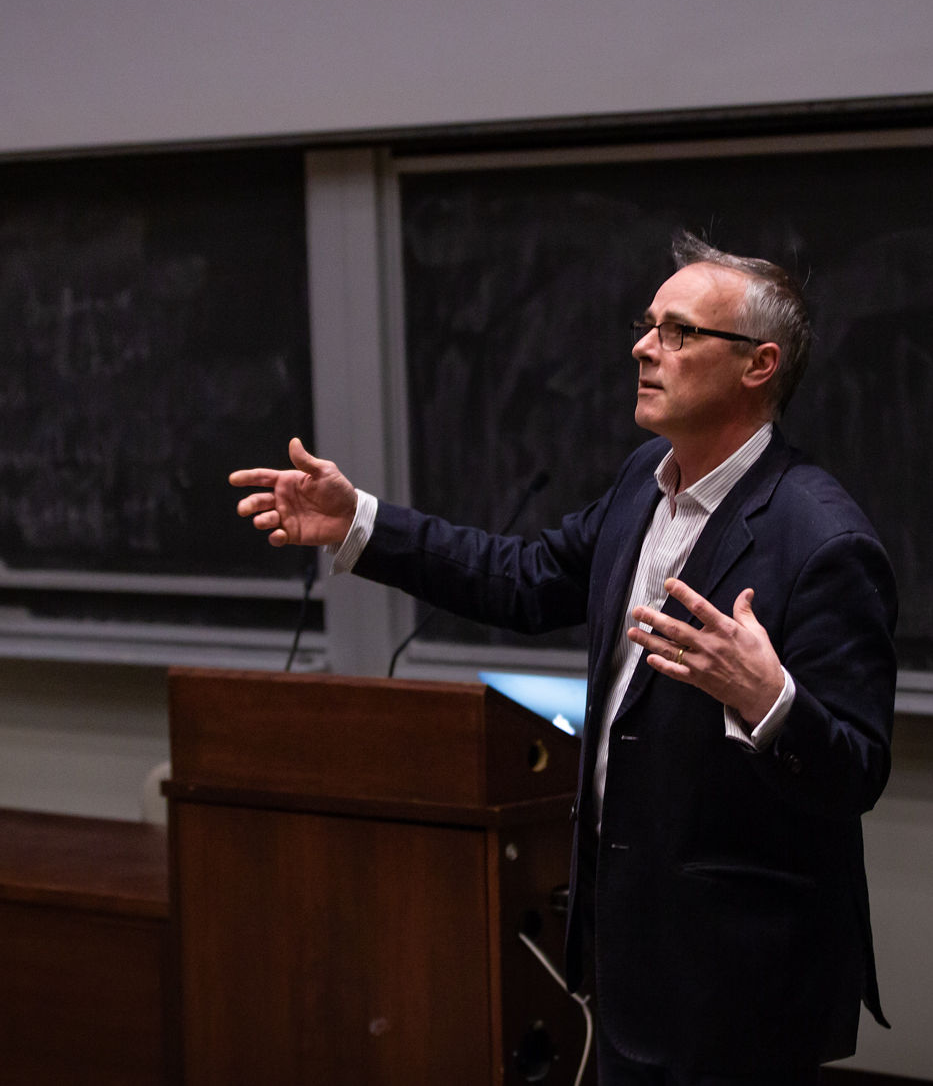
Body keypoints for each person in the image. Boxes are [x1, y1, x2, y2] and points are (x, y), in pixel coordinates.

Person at [230, 232, 898, 1084]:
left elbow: (857, 771)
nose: (644, 347)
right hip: (627, 957)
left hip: (742, 986)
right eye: (647, 325)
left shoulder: (823, 541)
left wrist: (770, 700)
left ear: (758, 365)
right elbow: (522, 577)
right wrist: (359, 521)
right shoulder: (644, 481)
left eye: (678, 331)